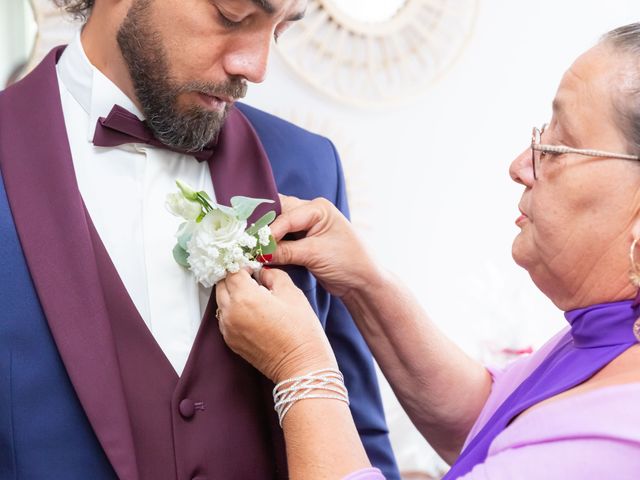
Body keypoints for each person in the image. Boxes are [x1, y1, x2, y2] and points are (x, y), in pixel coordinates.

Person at [215, 23, 640, 479]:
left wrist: (301, 368)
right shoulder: (611, 330)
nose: (520, 166)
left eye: (558, 147)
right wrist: (365, 283)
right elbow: (492, 425)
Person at [0, 1, 399, 479]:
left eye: (282, 30)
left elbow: (357, 439)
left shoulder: (309, 167)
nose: (256, 67)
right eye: (231, 15)